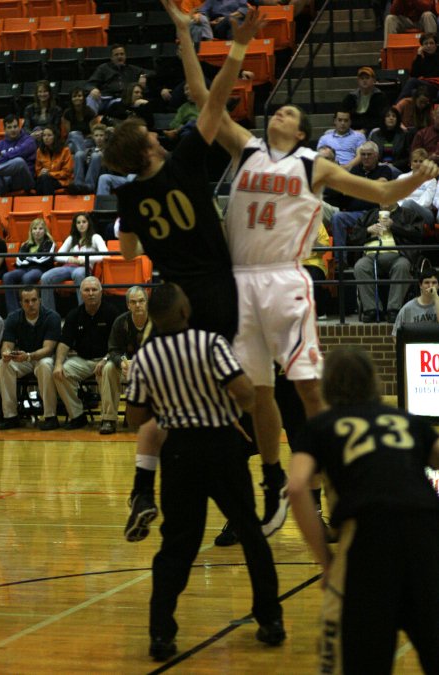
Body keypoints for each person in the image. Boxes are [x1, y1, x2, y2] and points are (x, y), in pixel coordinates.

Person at [161, 0, 439, 543]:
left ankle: (337, 492)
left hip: (286, 279)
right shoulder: (247, 148)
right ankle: (273, 486)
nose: (280, 112)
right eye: (277, 110)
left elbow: (381, 192)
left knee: (310, 393)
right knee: (256, 393)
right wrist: (183, 38)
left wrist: (414, 176)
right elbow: (202, 98)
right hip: (240, 281)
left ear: (302, 130)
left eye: (289, 113)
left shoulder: (313, 165)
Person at [103, 10, 273, 541]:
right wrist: (238, 47)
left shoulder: (127, 194)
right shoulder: (183, 163)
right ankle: (249, 496)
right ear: (151, 147)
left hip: (170, 298)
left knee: (167, 405)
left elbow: (127, 248)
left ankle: (142, 490)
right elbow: (215, 98)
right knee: (228, 399)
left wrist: (182, 32)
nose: (156, 132)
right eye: (150, 133)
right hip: (216, 292)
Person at [126, 283, 285, 661]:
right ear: (184, 312)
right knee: (250, 533)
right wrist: (226, 400)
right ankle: (271, 620)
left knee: (177, 546)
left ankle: (161, 634)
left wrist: (168, 405)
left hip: (178, 453)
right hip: (220, 447)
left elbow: (135, 417)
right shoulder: (209, 343)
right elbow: (246, 394)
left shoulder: (146, 356)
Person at [288, 345, 439, 675]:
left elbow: (297, 487)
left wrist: (327, 563)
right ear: (375, 381)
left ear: (327, 386)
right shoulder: (406, 420)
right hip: (427, 539)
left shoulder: (321, 426)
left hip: (369, 542)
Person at [52, 276, 120, 431]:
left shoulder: (112, 312)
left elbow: (117, 345)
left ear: (101, 292)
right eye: (87, 290)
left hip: (106, 359)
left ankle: (108, 420)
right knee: (62, 372)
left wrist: (105, 359)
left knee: (108, 370)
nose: (91, 293)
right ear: (81, 293)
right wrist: (57, 364)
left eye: (94, 289)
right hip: (82, 359)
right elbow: (64, 343)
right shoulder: (74, 314)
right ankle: (77, 416)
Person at [0, 286, 61, 430]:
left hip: (44, 358)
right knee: (2, 364)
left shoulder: (52, 317)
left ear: (40, 300)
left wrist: (29, 356)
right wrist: (6, 353)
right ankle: (10, 416)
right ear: (21, 303)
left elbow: (48, 349)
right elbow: (7, 344)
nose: (30, 304)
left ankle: (51, 416)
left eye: (34, 300)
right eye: (26, 301)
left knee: (45, 365)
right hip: (24, 358)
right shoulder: (13, 317)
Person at [350, 203, 423, 322]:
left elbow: (417, 234)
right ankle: (372, 309)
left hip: (398, 255)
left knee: (402, 266)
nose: (384, 201)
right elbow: (353, 238)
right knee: (360, 266)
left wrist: (394, 226)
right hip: (371, 256)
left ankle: (394, 309)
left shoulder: (408, 214)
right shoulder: (369, 215)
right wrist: (367, 230)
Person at [101, 285, 154, 435]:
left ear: (146, 302)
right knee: (109, 368)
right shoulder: (120, 322)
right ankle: (109, 419)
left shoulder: (156, 322)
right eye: (133, 302)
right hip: (126, 366)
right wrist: (121, 362)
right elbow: (113, 349)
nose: (138, 305)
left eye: (141, 301)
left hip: (150, 367)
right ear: (128, 305)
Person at [330, 141, 393, 265]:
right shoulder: (355, 169)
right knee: (337, 217)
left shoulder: (384, 169)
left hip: (375, 214)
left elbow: (382, 184)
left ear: (376, 155)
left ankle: (380, 261)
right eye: (363, 154)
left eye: (369, 154)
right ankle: (340, 262)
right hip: (355, 214)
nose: (365, 158)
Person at [40, 212, 107, 311]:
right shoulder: (71, 238)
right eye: (78, 222)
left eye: (84, 222)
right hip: (68, 266)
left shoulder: (95, 237)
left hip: (84, 267)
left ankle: (83, 311)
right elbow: (57, 256)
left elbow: (105, 255)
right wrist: (69, 259)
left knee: (78, 273)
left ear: (89, 223)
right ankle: (48, 314)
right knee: (45, 277)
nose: (81, 224)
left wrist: (84, 259)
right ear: (75, 225)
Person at [2, 217, 55, 314]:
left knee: (27, 277)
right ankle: (14, 312)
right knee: (7, 276)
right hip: (24, 268)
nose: (37, 231)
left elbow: (44, 259)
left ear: (45, 230)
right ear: (31, 231)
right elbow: (18, 260)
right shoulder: (25, 244)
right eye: (34, 229)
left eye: (40, 229)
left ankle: (27, 309)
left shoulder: (49, 243)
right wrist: (31, 260)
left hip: (40, 269)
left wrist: (29, 259)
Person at [85, 44, 148, 115]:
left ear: (125, 56)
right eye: (116, 55)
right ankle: (89, 122)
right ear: (111, 58)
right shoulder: (103, 68)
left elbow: (150, 72)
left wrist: (143, 76)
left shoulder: (132, 69)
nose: (119, 56)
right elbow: (90, 84)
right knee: (91, 98)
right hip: (104, 98)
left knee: (120, 104)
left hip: (120, 99)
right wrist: (93, 89)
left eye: (122, 54)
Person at [0, 114, 36, 197]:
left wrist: (3, 156)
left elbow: (21, 152)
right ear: (5, 129)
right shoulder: (0, 144)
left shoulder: (29, 140)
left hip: (24, 180)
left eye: (15, 126)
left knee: (19, 161)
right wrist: (10, 157)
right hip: (6, 180)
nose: (13, 130)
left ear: (19, 127)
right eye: (9, 127)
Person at [396, 147, 437, 228]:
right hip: (403, 211)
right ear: (411, 164)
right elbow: (397, 198)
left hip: (424, 213)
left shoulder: (431, 180)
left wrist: (407, 208)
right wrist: (403, 208)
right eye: (415, 161)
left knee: (409, 203)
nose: (418, 164)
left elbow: (426, 202)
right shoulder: (401, 178)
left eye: (421, 161)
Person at [392, 267, 439, 337]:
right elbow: (395, 335)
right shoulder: (407, 308)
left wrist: (436, 298)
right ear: (420, 285)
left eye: (434, 283)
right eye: (427, 282)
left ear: (438, 285)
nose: (430, 286)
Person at [341, 67, 389, 135]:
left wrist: (365, 130)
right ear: (358, 80)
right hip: (351, 129)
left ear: (374, 80)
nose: (364, 81)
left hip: (372, 130)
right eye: (362, 78)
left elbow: (381, 118)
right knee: (328, 132)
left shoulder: (380, 97)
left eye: (367, 78)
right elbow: (342, 113)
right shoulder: (351, 97)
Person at [396, 32, 439, 102]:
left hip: (436, 86)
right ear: (422, 46)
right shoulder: (421, 58)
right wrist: (418, 56)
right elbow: (414, 74)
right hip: (426, 85)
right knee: (413, 91)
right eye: (426, 44)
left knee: (412, 82)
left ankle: (396, 108)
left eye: (431, 43)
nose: (429, 46)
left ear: (436, 45)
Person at [68, 123, 109, 195]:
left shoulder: (109, 150)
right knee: (79, 154)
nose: (99, 138)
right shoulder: (90, 150)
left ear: (105, 136)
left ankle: (89, 186)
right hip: (87, 171)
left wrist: (103, 158)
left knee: (96, 156)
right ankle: (78, 185)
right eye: (96, 136)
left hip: (102, 172)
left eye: (101, 135)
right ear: (93, 137)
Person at [368, 106, 410, 175]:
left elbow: (408, 157)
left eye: (394, 116)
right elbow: (370, 154)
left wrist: (393, 165)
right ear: (383, 119)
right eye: (388, 116)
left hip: (397, 169)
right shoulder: (375, 135)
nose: (391, 118)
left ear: (397, 119)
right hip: (377, 167)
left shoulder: (404, 135)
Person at [35, 125, 74, 196]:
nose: (46, 138)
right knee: (41, 181)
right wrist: (41, 172)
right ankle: (45, 203)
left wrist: (50, 174)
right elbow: (38, 171)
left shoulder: (65, 150)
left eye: (49, 135)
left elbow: (67, 172)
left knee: (45, 179)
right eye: (44, 135)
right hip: (45, 180)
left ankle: (47, 203)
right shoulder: (39, 151)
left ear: (55, 137)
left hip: (62, 181)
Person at [22, 80, 62, 144]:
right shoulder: (29, 109)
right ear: (36, 94)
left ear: (49, 93)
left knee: (37, 128)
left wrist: (43, 133)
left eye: (45, 91)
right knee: (35, 130)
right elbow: (26, 127)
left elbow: (56, 129)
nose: (42, 94)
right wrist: (32, 134)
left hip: (50, 139)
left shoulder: (56, 110)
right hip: (33, 137)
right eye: (40, 92)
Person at [62, 86, 97, 154]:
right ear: (71, 99)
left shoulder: (90, 112)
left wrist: (85, 137)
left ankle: (80, 155)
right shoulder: (67, 113)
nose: (77, 98)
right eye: (74, 96)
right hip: (72, 140)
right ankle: (83, 156)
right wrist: (79, 136)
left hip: (87, 141)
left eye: (79, 96)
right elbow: (69, 134)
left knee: (71, 147)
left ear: (83, 98)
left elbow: (93, 133)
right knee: (74, 134)